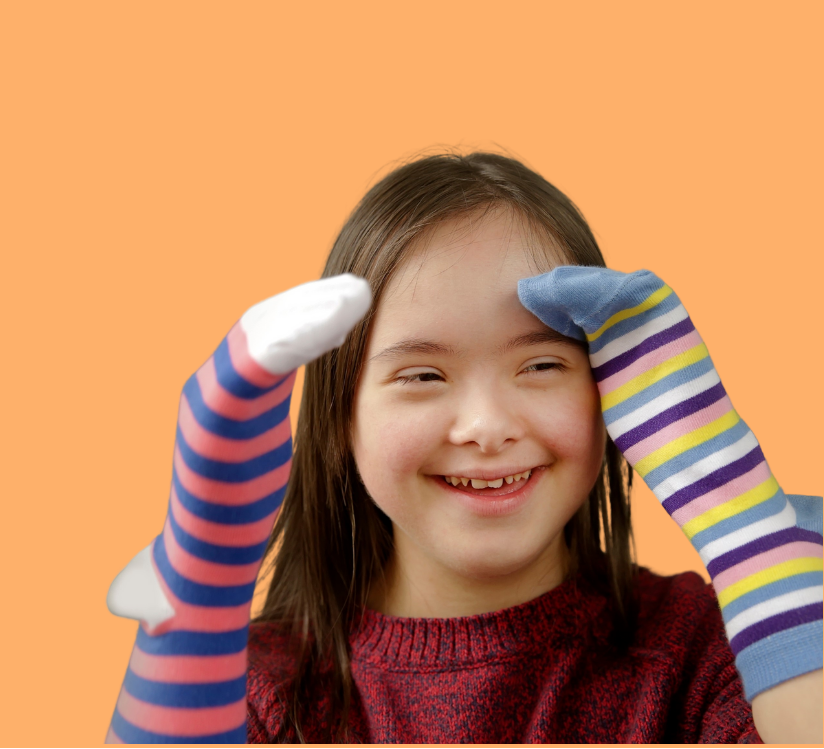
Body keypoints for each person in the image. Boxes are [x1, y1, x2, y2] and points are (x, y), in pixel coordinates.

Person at [104, 151, 823, 743]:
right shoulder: (258, 688)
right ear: (340, 418)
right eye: (422, 375)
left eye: (541, 366)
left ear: (613, 393)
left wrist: (749, 530)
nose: (485, 425)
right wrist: (199, 583)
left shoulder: (711, 647)